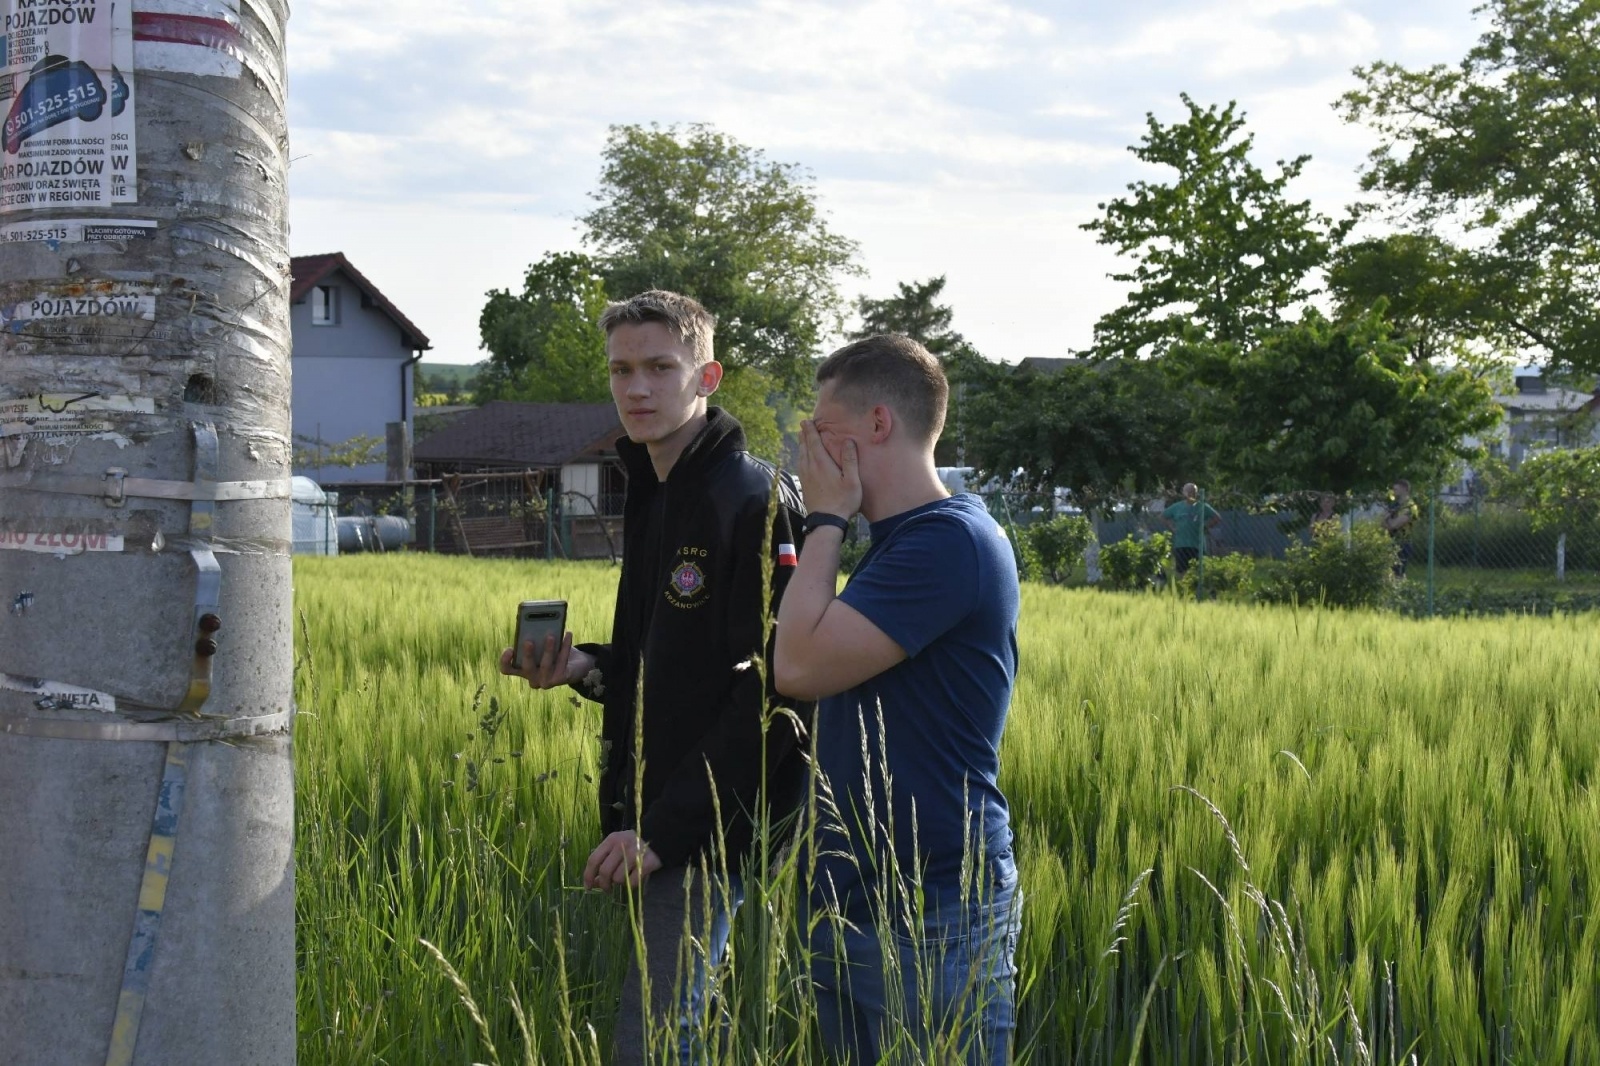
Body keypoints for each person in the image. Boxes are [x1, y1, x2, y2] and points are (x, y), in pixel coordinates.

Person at [499, 290, 809, 1065]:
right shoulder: (656, 489)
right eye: (621, 370)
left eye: (659, 368)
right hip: (646, 820)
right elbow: (668, 669)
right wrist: (583, 667)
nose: (636, 388)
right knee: (663, 1038)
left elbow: (774, 693)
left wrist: (663, 832)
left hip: (707, 828)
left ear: (707, 377)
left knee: (653, 1046)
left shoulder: (754, 499)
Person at [773, 334, 1022, 1065]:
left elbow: (797, 664)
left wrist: (825, 519)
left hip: (934, 909)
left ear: (878, 425)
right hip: (853, 896)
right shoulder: (901, 540)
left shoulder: (948, 541)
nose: (808, 449)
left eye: (822, 429)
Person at [1161, 482, 1221, 577]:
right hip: (1181, 544)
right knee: (1181, 571)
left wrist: (1205, 527)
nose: (1190, 494)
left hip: (1197, 544)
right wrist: (1172, 528)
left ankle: (1196, 589)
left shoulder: (1202, 506)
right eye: (1188, 491)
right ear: (1184, 493)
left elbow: (1217, 518)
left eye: (1192, 491)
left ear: (1196, 493)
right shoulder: (1177, 507)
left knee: (1197, 570)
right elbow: (1163, 516)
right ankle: (1184, 589)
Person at [1382, 478, 1419, 576]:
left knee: (1398, 573)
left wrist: (1387, 519)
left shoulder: (1411, 507)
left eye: (1396, 489)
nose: (1394, 492)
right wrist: (1388, 521)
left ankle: (1400, 590)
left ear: (1405, 489)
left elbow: (1394, 525)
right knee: (1388, 573)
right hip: (1391, 541)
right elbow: (1382, 523)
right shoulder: (1394, 505)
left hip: (1403, 543)